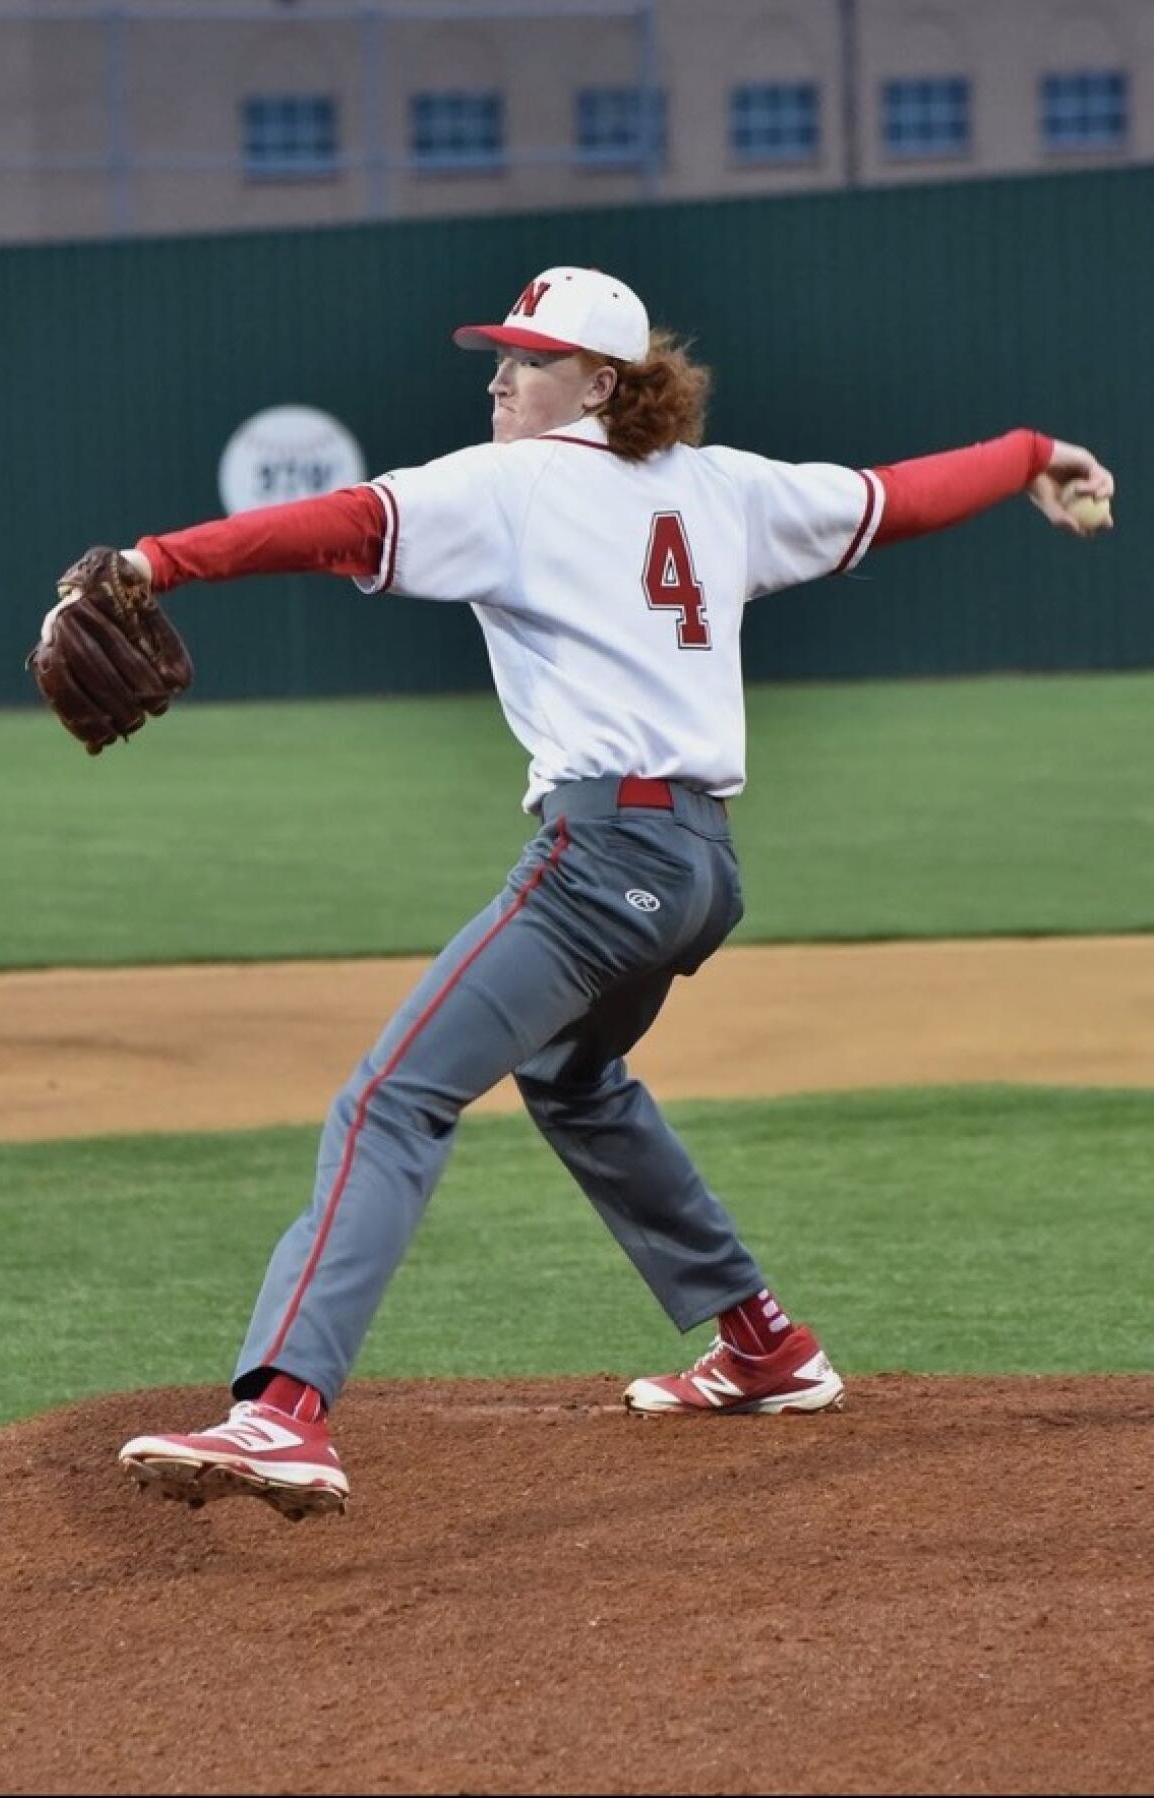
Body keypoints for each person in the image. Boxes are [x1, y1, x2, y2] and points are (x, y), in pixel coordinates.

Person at [109, 265, 1114, 1521]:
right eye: (503, 355)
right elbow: (892, 501)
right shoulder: (724, 486)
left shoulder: (513, 484)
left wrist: (156, 560)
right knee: (573, 1078)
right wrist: (1029, 451)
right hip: (701, 869)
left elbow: (338, 526)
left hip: (602, 865)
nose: (498, 377)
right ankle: (763, 1345)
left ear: (600, 381)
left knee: (391, 1097)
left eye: (526, 360)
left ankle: (283, 1413)